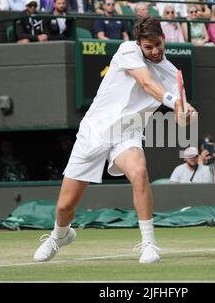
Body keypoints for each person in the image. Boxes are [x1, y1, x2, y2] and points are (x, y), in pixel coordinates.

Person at [33, 16, 197, 264]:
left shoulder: (172, 74)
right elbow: (146, 82)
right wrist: (173, 102)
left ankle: (149, 243)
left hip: (127, 134)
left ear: (164, 39)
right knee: (65, 205)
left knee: (139, 172)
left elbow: (183, 116)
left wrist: (186, 115)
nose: (153, 51)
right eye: (148, 47)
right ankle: (60, 236)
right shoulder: (127, 50)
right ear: (139, 44)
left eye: (157, 45)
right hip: (95, 131)